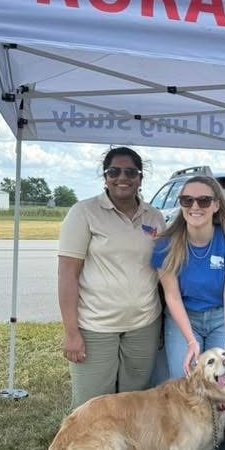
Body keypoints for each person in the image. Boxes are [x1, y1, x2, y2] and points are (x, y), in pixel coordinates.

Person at [58, 146, 165, 409]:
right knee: (91, 409)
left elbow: (164, 274)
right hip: (96, 326)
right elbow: (67, 274)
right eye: (114, 171)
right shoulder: (83, 212)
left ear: (141, 178)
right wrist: (72, 332)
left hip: (144, 325)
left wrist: (162, 324)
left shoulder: (155, 216)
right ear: (105, 176)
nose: (122, 178)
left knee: (135, 405)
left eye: (131, 172)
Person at [152, 175, 225, 380]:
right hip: (184, 316)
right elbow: (172, 297)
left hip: (221, 318)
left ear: (216, 205)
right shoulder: (166, 245)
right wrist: (191, 341)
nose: (195, 206)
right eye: (187, 200)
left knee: (222, 382)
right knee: (186, 381)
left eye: (204, 200)